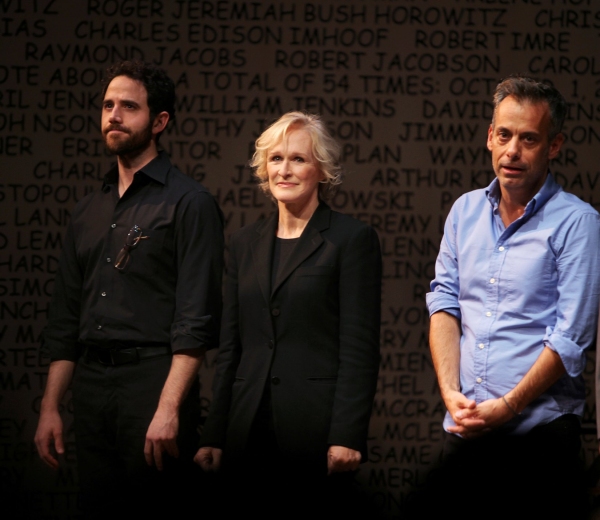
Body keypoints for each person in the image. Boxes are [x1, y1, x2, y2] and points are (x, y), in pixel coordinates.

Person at [33, 60, 224, 518]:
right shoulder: (88, 209)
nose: (114, 115)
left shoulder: (188, 203)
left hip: (152, 382)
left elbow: (195, 318)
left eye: (128, 107)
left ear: (159, 122)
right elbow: (65, 316)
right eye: (108, 105)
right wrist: (50, 406)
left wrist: (168, 408)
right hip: (93, 387)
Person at [425, 76, 600, 520]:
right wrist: (449, 391)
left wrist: (508, 407)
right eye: (504, 135)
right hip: (467, 433)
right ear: (489, 136)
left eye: (529, 139)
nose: (512, 151)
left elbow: (570, 338)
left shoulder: (578, 223)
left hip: (539, 441)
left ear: (554, 146)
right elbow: (444, 302)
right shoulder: (464, 212)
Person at [193, 111, 382, 516]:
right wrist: (214, 434)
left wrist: (347, 434)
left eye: (298, 159)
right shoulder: (244, 243)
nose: (285, 169)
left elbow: (359, 349)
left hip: (314, 432)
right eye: (276, 159)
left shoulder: (351, 240)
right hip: (246, 430)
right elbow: (231, 349)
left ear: (321, 169)